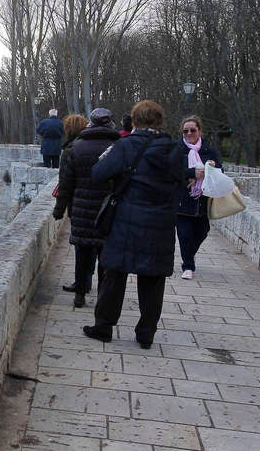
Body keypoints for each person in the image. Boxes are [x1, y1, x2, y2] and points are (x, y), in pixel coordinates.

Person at [83, 100, 185, 349]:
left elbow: (98, 174)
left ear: (135, 121)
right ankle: (146, 333)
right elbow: (181, 182)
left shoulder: (126, 145)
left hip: (126, 219)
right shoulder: (174, 149)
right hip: (160, 222)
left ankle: (104, 327)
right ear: (159, 121)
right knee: (152, 279)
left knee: (115, 273)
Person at [53, 109, 121, 307]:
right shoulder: (118, 147)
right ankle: (103, 297)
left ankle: (80, 295)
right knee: (105, 256)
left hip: (82, 207)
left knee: (82, 253)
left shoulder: (77, 147)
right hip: (109, 210)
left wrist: (59, 209)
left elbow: (66, 183)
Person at [175, 116, 222, 280]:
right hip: (181, 200)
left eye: (192, 130)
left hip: (203, 201)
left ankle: (189, 254)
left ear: (199, 131)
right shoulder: (177, 149)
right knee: (185, 234)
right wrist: (191, 173)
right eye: (185, 130)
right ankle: (188, 266)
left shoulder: (209, 150)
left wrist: (211, 169)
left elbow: (220, 172)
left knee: (202, 231)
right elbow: (171, 172)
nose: (189, 133)